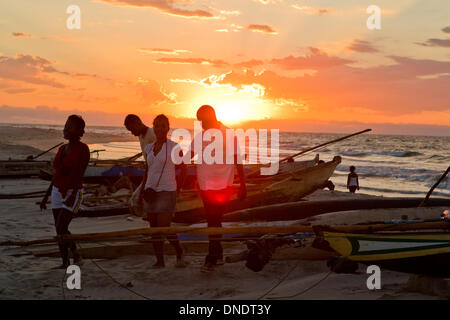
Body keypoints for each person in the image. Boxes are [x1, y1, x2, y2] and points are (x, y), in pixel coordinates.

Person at [188, 105, 246, 272]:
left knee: (214, 220)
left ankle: (211, 258)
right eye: (199, 121)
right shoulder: (201, 136)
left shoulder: (229, 134)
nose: (200, 124)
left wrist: (242, 184)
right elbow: (187, 156)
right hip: (205, 185)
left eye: (202, 120)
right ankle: (217, 255)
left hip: (223, 185)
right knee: (214, 220)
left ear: (211, 117)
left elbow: (238, 160)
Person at [40, 115, 90, 268]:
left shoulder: (83, 149)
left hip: (73, 192)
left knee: (62, 226)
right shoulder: (62, 148)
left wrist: (73, 195)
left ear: (79, 131)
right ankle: (65, 262)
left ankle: (76, 254)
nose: (66, 129)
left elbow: (80, 174)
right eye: (65, 125)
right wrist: (46, 196)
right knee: (58, 228)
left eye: (70, 127)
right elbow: (56, 175)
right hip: (56, 191)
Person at [141, 114, 186, 268]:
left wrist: (178, 188)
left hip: (167, 190)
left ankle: (179, 251)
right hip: (150, 191)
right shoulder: (148, 148)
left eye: (163, 126)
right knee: (154, 229)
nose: (159, 129)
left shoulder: (174, 147)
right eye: (157, 125)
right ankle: (160, 260)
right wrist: (141, 191)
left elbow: (183, 169)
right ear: (153, 127)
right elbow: (147, 171)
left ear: (168, 128)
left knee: (164, 227)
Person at [124, 114, 156, 209]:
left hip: (156, 173)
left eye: (132, 130)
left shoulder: (152, 134)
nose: (132, 133)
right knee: (135, 198)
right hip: (150, 171)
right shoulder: (141, 136)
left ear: (138, 123)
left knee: (137, 198)